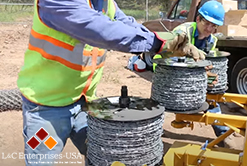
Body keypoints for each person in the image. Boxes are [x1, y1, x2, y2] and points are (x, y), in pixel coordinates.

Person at [17, 0, 205, 165]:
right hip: (47, 109)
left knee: (102, 156)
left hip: (85, 103)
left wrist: (170, 41)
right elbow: (100, 29)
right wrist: (158, 44)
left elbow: (128, 25)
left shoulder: (105, 3)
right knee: (40, 160)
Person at [153, 0, 230, 139]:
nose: (209, 29)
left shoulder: (212, 41)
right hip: (168, 71)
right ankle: (153, 133)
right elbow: (167, 55)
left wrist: (208, 75)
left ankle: (223, 135)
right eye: (206, 23)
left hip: (191, 76)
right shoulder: (183, 32)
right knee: (162, 102)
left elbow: (204, 63)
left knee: (211, 100)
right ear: (198, 19)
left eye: (213, 26)